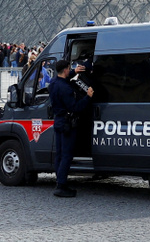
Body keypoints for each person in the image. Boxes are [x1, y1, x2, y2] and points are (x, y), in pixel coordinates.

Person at [49, 59, 93, 197]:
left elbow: (64, 78)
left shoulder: (53, 84)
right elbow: (75, 107)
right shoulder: (66, 88)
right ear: (66, 69)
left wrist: (74, 71)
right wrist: (88, 97)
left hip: (58, 121)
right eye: (70, 68)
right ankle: (61, 186)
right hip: (68, 123)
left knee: (59, 154)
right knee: (67, 156)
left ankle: (59, 181)